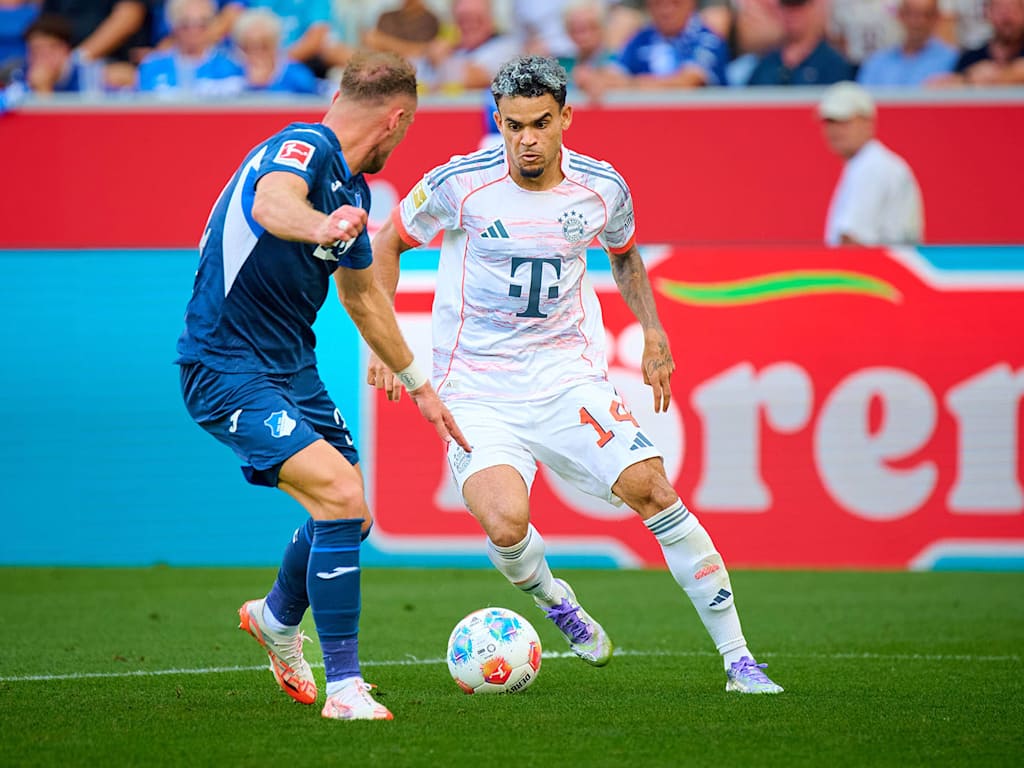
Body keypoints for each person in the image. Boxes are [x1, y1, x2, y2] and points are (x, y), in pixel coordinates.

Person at [369, 54, 784, 696]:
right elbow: (386, 246)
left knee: (653, 489)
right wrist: (386, 339)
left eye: (539, 123)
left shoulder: (602, 188)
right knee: (506, 524)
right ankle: (555, 599)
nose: (526, 140)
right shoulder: (459, 183)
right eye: (512, 126)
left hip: (567, 377)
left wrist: (651, 329)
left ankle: (739, 659)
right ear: (498, 124)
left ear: (565, 117)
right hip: (477, 390)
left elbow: (625, 257)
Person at [175, 50, 469, 721]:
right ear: (395, 120)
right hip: (225, 362)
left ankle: (277, 619)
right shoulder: (303, 147)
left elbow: (363, 299)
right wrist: (320, 226)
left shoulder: (355, 191)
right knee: (338, 496)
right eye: (407, 131)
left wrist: (420, 385)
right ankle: (345, 689)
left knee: (353, 514)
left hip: (289, 366)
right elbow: (272, 201)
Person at [819, 81, 924, 247]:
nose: (835, 130)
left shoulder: (871, 166)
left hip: (871, 270)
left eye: (844, 121)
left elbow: (853, 239)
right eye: (830, 122)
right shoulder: (871, 163)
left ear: (867, 123)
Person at [573, 0, 730, 99]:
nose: (666, 8)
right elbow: (613, 73)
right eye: (657, 3)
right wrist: (594, 79)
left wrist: (629, 85)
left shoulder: (707, 39)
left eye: (675, 2)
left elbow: (687, 83)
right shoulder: (641, 38)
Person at [137, 0, 244, 96]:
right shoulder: (152, 66)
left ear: (212, 25)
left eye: (202, 24)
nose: (194, 31)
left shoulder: (232, 66)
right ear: (173, 26)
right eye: (185, 24)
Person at [747, 0, 853, 85]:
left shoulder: (832, 64)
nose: (791, 14)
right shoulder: (766, 64)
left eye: (798, 5)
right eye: (786, 6)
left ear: (812, 8)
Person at [857, 0, 957, 86]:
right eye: (911, 14)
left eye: (926, 15)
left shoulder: (952, 61)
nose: (918, 22)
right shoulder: (877, 62)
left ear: (937, 17)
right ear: (900, 15)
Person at [232, 7, 319, 94]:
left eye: (264, 45)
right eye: (247, 46)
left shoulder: (299, 76)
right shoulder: (229, 73)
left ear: (276, 45)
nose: (257, 52)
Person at [945, 0, 1024, 84]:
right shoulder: (970, 59)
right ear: (986, 12)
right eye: (1000, 10)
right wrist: (967, 79)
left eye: (1015, 9)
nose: (1007, 17)